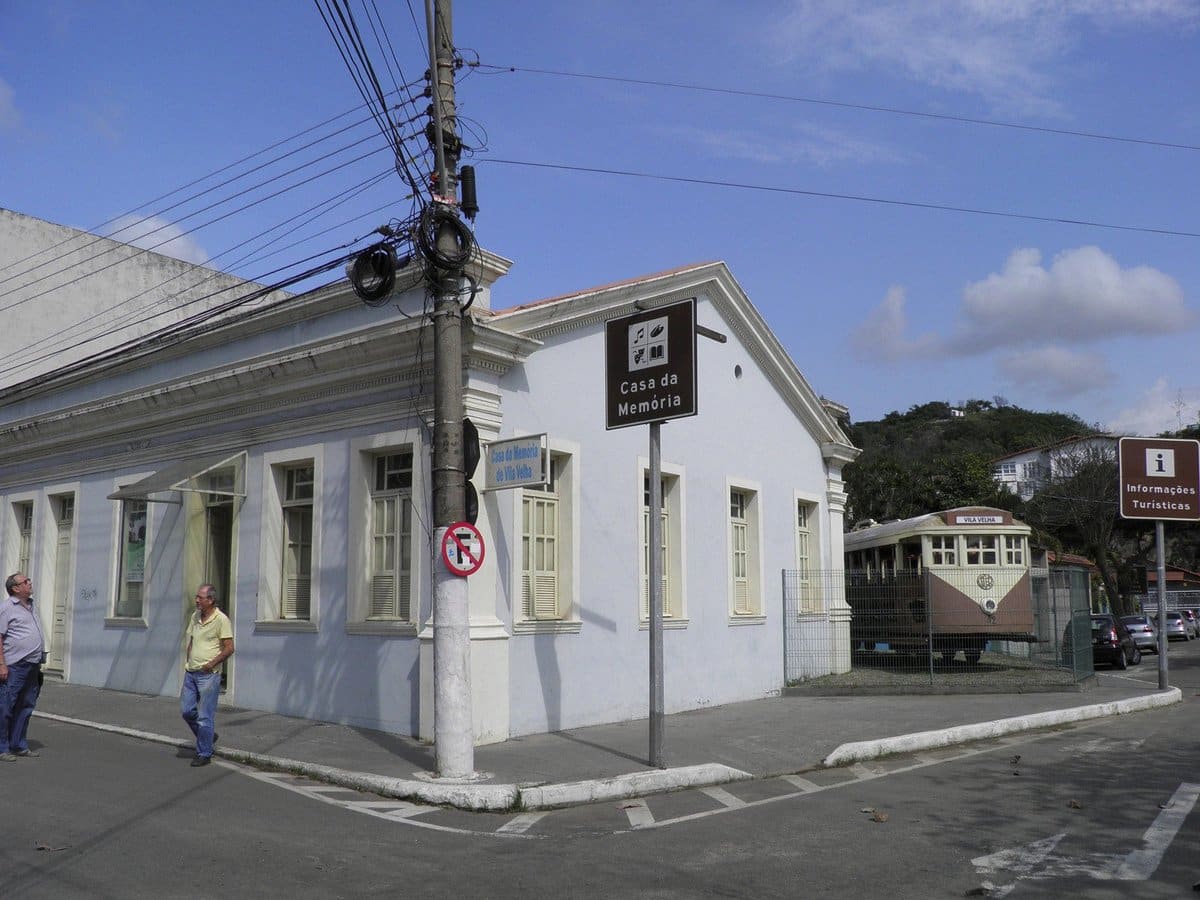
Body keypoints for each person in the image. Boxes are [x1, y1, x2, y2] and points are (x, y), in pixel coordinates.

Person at [180, 583, 233, 767]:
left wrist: (211, 664)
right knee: (187, 711)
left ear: (210, 600)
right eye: (196, 597)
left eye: (200, 598)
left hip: (208, 675)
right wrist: (188, 662)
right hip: (191, 672)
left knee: (205, 716)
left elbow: (229, 648)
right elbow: (192, 641)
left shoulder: (221, 620)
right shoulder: (195, 617)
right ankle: (208, 736)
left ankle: (204, 753)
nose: (196, 601)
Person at [0, 573, 47, 761]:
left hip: (32, 665)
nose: (29, 583)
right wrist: (1, 664)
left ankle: (18, 744)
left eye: (29, 580)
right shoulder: (6, 608)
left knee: (26, 705)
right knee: (6, 706)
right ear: (15, 588)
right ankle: (2, 747)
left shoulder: (31, 606)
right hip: (14, 665)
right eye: (25, 581)